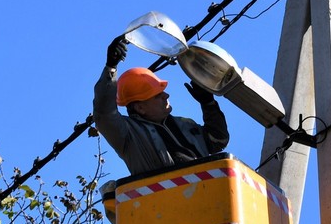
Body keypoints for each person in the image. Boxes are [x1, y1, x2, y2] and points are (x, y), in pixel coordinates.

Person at [93, 35, 230, 176]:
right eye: (157, 95)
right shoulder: (128, 134)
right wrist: (111, 67)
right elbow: (104, 113)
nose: (166, 96)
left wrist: (208, 104)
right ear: (140, 108)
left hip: (205, 191)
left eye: (162, 91)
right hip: (167, 196)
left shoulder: (186, 125)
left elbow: (219, 140)